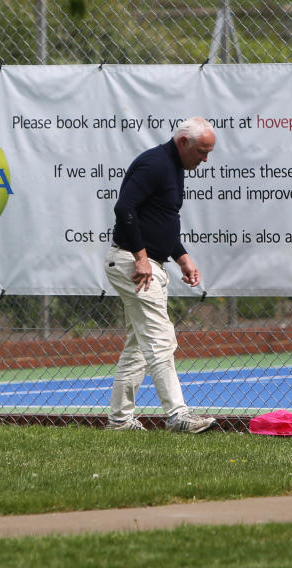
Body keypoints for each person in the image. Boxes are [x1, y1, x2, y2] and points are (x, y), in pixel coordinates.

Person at [103, 117, 217, 433]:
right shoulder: (154, 164)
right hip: (133, 264)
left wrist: (182, 258)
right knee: (160, 339)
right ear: (183, 143)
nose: (205, 160)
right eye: (201, 152)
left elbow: (160, 220)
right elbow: (124, 208)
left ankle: (119, 421)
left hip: (148, 262)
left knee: (139, 346)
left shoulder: (175, 167)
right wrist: (140, 257)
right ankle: (178, 415)